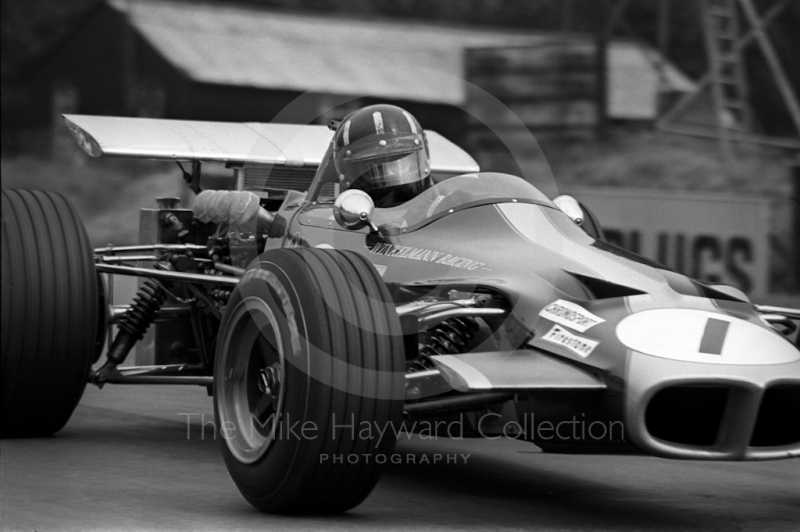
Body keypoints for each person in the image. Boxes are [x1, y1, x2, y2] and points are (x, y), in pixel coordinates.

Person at [332, 104, 432, 209]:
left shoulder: (441, 207)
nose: (388, 174)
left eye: (397, 165)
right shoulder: (341, 220)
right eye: (375, 170)